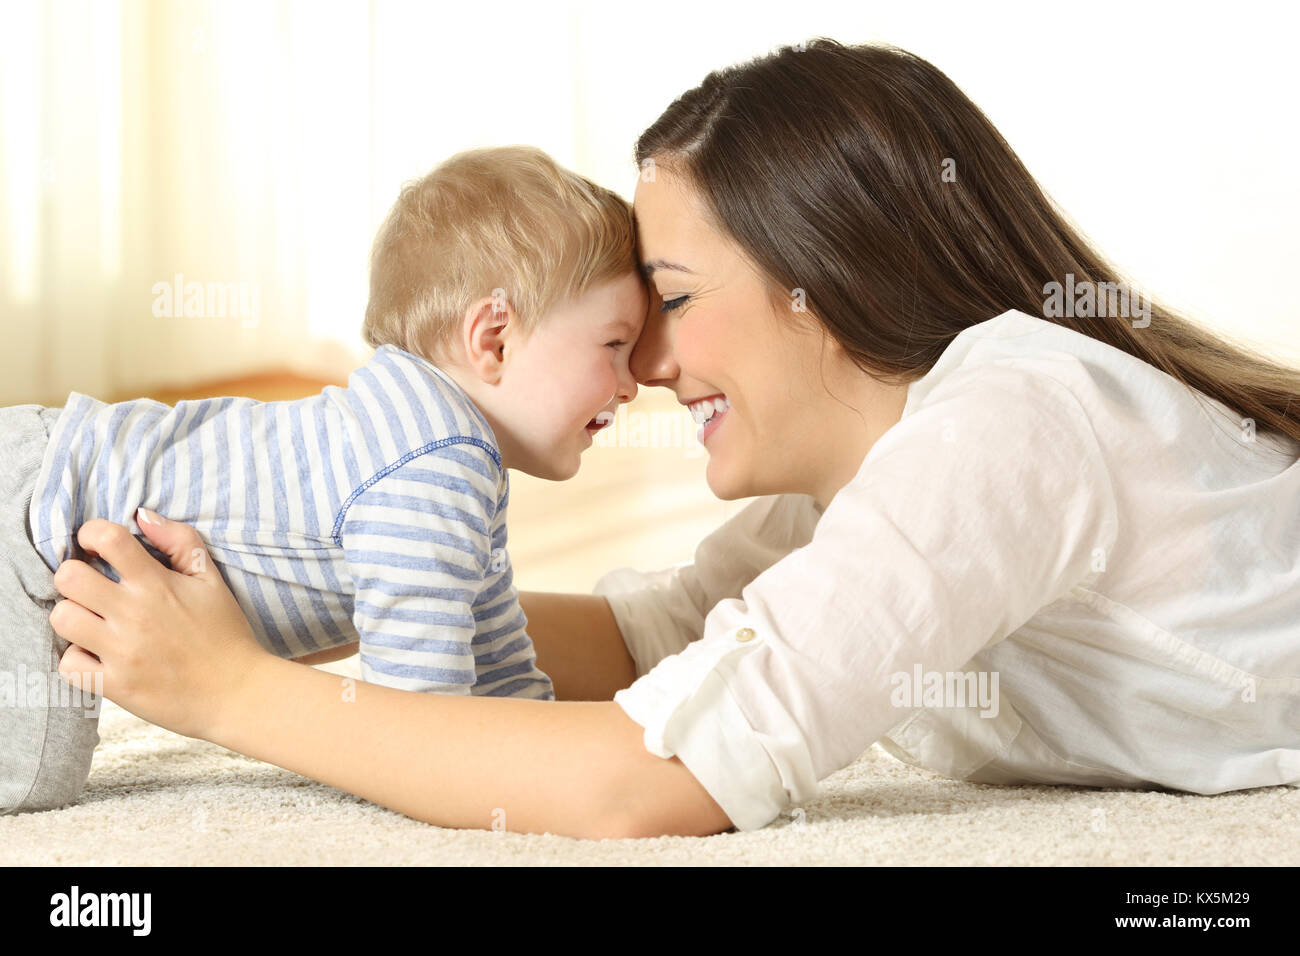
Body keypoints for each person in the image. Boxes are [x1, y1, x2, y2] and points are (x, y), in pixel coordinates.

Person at [43, 40, 1300, 839]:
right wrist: (352, 567)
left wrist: (236, 694)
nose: (645, 363)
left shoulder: (1007, 428)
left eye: (676, 299)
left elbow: (652, 781)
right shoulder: (871, 475)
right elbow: (660, 640)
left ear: (827, 279)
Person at [0, 144, 645, 814]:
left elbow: (495, 651)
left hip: (44, 473)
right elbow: (424, 727)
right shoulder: (432, 462)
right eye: (614, 346)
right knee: (29, 776)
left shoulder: (446, 454)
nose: (631, 385)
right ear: (494, 339)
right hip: (34, 518)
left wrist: (537, 742)